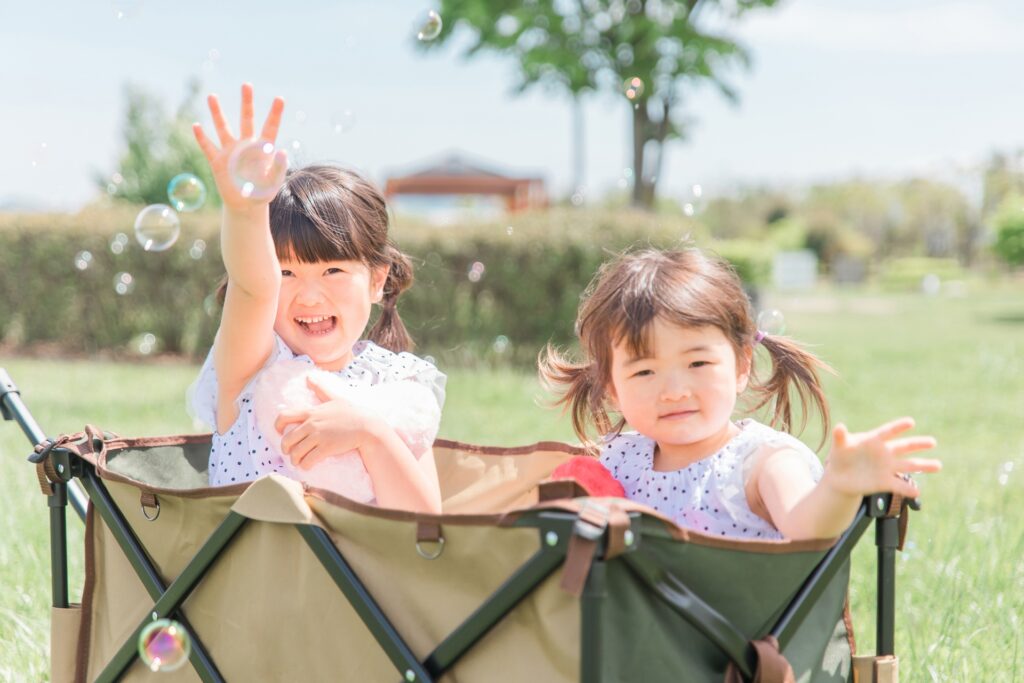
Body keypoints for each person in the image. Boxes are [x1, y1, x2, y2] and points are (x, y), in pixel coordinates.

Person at [539, 246, 940, 540]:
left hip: (736, 651)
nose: (674, 391)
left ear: (742, 366)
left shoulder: (760, 463)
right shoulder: (618, 459)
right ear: (611, 389)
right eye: (645, 371)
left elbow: (807, 528)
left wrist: (838, 486)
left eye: (697, 364)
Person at [188, 84, 443, 513]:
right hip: (258, 575)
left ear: (378, 280)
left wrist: (370, 432)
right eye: (286, 272)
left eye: (333, 270)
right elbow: (253, 285)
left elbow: (425, 528)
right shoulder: (253, 363)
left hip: (359, 581)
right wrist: (245, 209)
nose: (309, 294)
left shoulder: (398, 387)